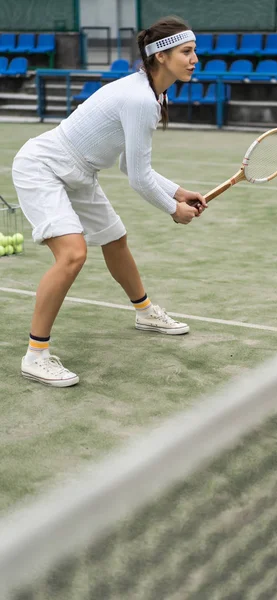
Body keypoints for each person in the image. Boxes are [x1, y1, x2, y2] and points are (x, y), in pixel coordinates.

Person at [12, 16, 207, 388]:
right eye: (186, 51)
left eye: (194, 50)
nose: (195, 58)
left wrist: (178, 191)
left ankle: (145, 312)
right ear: (161, 57)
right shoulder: (140, 99)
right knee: (72, 254)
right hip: (43, 167)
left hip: (80, 171)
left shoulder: (152, 93)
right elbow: (137, 176)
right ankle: (36, 355)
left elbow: (126, 163)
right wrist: (173, 209)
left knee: (115, 239)